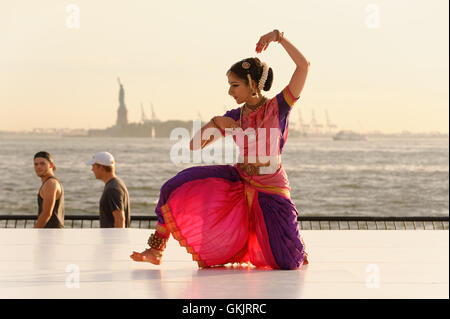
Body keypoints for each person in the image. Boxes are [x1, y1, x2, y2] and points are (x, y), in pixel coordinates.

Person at [131, 29, 310, 269]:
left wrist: (278, 37)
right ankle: (156, 248)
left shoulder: (279, 107)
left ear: (252, 85)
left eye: (235, 85)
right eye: (229, 85)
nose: (230, 91)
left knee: (288, 262)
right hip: (239, 180)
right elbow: (195, 146)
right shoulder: (235, 116)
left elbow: (304, 66)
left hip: (271, 186)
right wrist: (215, 123)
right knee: (174, 186)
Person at [86, 152, 130, 228]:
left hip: (112, 239)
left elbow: (120, 219)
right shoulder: (116, 184)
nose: (92, 169)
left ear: (101, 167)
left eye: (94, 166)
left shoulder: (112, 188)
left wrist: (117, 239)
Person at [34, 151, 65, 228]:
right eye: (36, 164)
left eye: (42, 164)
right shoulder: (49, 183)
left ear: (51, 165)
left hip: (51, 235)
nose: (38, 167)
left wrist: (33, 232)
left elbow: (47, 213)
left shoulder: (51, 183)